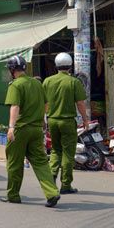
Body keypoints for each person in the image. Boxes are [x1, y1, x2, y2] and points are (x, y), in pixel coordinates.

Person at [3, 55, 60, 208]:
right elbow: (46, 104)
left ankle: (13, 195)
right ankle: (52, 193)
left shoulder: (15, 85)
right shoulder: (36, 84)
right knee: (41, 162)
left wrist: (11, 127)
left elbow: (14, 106)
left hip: (21, 130)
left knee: (14, 163)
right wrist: (41, 119)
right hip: (36, 129)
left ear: (12, 69)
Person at [43, 53, 89, 194]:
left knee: (56, 150)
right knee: (68, 153)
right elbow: (80, 103)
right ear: (70, 66)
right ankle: (66, 184)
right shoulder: (74, 82)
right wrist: (85, 119)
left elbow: (45, 103)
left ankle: (51, 177)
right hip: (68, 121)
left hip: (52, 120)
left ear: (56, 65)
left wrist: (44, 119)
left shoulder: (47, 81)